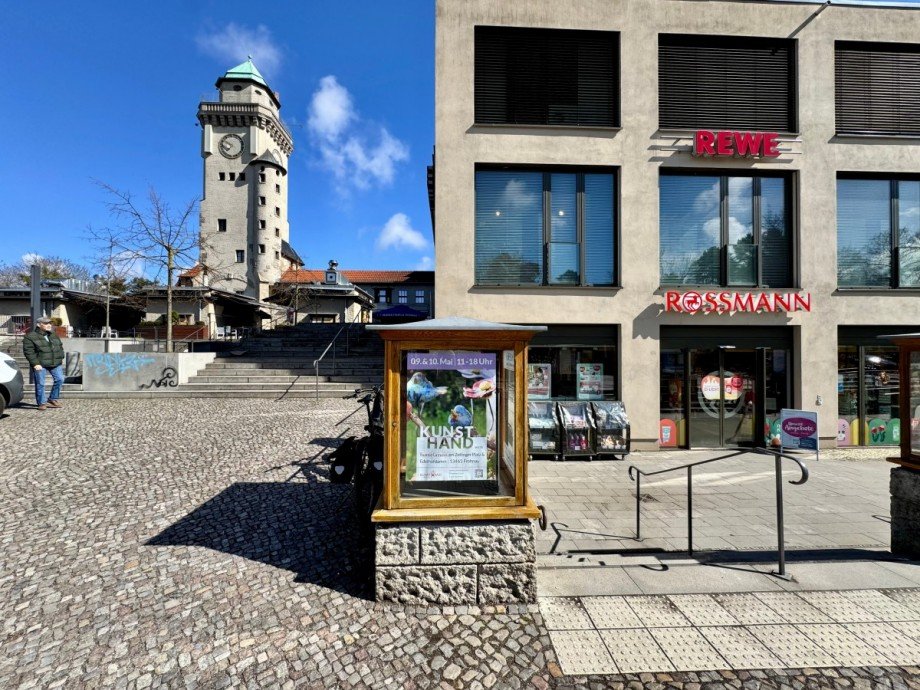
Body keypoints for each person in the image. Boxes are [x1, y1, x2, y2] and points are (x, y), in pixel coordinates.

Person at [23, 317, 65, 411]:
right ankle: (42, 403)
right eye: (46, 323)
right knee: (40, 383)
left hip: (55, 362)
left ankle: (52, 399)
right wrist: (35, 364)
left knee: (60, 379)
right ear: (39, 325)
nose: (49, 325)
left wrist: (61, 356)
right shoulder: (30, 336)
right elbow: (29, 352)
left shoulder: (53, 334)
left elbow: (60, 346)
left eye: (50, 323)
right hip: (40, 364)